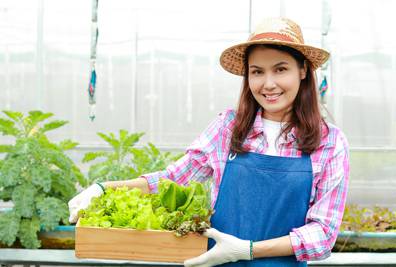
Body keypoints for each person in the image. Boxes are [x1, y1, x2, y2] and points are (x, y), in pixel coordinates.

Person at [68, 17, 349, 267]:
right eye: (257, 71)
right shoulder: (229, 127)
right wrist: (105, 190)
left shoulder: (330, 142)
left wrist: (246, 251)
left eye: (280, 69)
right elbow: (174, 179)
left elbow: (322, 234)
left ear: (302, 71)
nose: (268, 84)